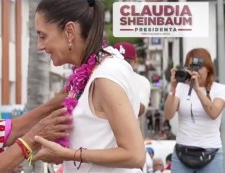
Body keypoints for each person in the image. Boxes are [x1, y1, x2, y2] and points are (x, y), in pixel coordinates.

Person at [31, 0, 145, 172]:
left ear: (69, 31)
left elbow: (135, 155)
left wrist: (68, 154)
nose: (40, 46)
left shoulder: (106, 74)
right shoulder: (90, 71)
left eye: (42, 36)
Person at [164, 48, 225, 172]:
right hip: (182, 152)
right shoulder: (181, 88)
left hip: (211, 152)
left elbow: (213, 113)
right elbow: (168, 114)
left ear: (208, 68)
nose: (195, 71)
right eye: (191, 67)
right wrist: (173, 87)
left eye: (199, 67)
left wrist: (197, 89)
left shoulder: (220, 89)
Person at [113, 42, 151, 117]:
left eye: (127, 62)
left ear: (135, 61)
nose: (123, 65)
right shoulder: (105, 79)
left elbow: (141, 110)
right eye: (119, 61)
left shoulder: (142, 81)